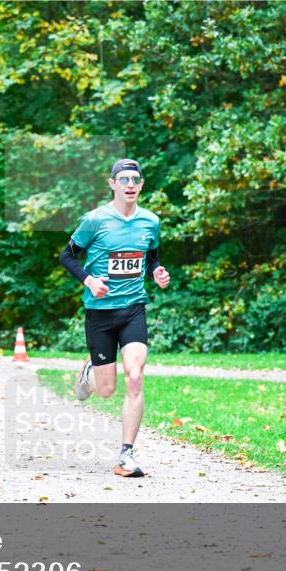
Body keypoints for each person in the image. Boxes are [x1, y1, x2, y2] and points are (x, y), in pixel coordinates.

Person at [59, 158, 171, 478]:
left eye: (135, 179)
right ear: (112, 184)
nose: (130, 184)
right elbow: (66, 256)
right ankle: (91, 370)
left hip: (134, 307)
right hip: (100, 312)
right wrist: (89, 280)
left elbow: (152, 258)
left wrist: (158, 272)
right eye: (123, 179)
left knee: (135, 376)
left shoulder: (150, 221)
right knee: (106, 390)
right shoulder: (94, 221)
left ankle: (126, 454)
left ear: (141, 185)